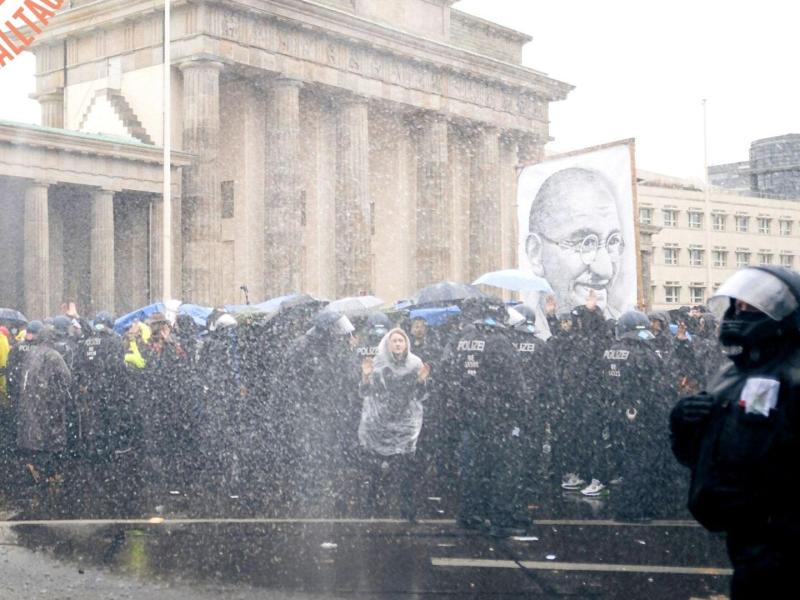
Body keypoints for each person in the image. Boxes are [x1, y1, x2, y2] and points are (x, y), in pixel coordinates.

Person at [670, 266, 800, 599]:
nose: (738, 315)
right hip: (745, 536)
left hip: (783, 542)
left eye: (751, 308)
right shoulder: (733, 372)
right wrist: (685, 423)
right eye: (736, 306)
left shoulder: (794, 375)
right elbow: (700, 456)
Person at [437, 296, 529, 537]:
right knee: (504, 468)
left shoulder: (461, 339)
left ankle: (471, 514)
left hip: (469, 415)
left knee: (473, 468)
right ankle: (501, 517)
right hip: (498, 416)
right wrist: (519, 410)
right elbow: (515, 383)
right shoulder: (499, 341)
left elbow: (446, 373)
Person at [525, 167, 627, 319]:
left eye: (613, 241)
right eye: (584, 244)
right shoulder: (519, 334)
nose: (605, 270)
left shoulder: (621, 332)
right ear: (535, 253)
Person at [598, 311, 670, 517]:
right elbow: (656, 386)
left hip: (616, 412)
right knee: (640, 462)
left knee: (624, 460)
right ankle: (635, 509)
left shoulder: (610, 351)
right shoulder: (645, 352)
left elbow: (603, 382)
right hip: (643, 415)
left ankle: (627, 506)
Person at [358, 327, 429, 520]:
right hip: (380, 423)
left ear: (406, 343)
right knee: (375, 469)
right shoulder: (378, 363)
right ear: (387, 344)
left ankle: (408, 509)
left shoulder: (415, 363)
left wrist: (422, 381)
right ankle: (370, 507)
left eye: (401, 341)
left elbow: (421, 396)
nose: (398, 344)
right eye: (394, 341)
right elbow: (365, 393)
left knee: (405, 468)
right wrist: (365, 376)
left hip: (405, 424)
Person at [15, 323, 73, 516]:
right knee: (49, 440)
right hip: (46, 405)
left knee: (34, 438)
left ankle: (35, 469)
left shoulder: (30, 353)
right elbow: (67, 378)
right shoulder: (53, 355)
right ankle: (49, 476)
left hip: (29, 406)